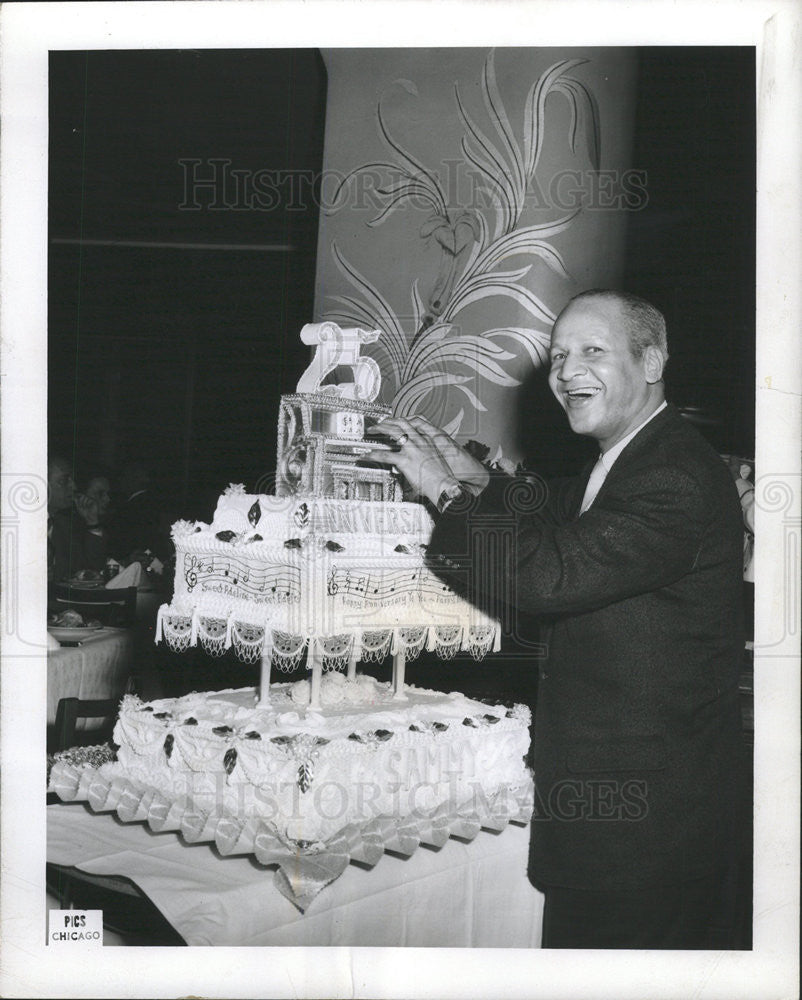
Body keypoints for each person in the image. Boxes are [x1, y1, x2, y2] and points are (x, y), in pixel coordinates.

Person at [364, 289, 745, 949]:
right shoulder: (633, 456)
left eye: (592, 352)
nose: (567, 372)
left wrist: (443, 490)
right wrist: (476, 478)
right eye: (558, 356)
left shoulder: (674, 475)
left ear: (651, 359)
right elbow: (558, 511)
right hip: (616, 816)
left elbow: (550, 573)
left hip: (643, 830)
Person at [47, 455, 108, 581]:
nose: (74, 487)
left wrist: (92, 522)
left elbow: (90, 572)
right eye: (64, 481)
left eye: (72, 480)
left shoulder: (63, 525)